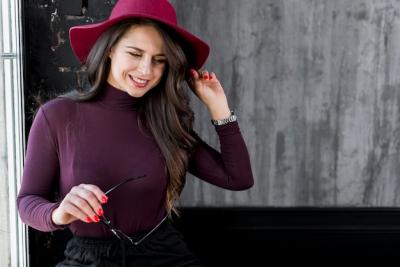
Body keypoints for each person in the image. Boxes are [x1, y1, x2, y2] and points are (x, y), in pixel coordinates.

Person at [17, 0, 254, 266]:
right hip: (88, 259)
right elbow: (27, 202)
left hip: (164, 255)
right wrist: (59, 213)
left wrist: (219, 107)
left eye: (159, 60)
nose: (146, 70)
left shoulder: (166, 121)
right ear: (109, 49)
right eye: (135, 53)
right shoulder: (57, 115)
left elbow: (238, 178)